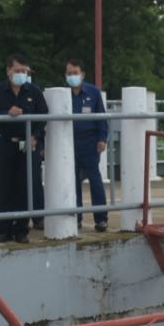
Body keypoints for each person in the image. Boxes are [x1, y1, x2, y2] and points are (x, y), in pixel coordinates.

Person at [0, 53, 46, 243]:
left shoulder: (34, 91)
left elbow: (43, 115)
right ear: (8, 71)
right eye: (17, 70)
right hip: (5, 144)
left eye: (24, 71)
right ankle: (4, 230)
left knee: (25, 187)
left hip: (28, 145)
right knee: (4, 188)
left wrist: (36, 136)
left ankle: (21, 230)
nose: (21, 74)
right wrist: (7, 112)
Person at [65, 59, 108, 232]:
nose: (72, 76)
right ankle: (76, 218)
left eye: (75, 73)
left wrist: (102, 139)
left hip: (90, 142)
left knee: (95, 179)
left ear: (82, 74)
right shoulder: (63, 94)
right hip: (69, 143)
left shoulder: (93, 92)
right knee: (73, 181)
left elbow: (102, 118)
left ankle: (101, 218)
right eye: (69, 73)